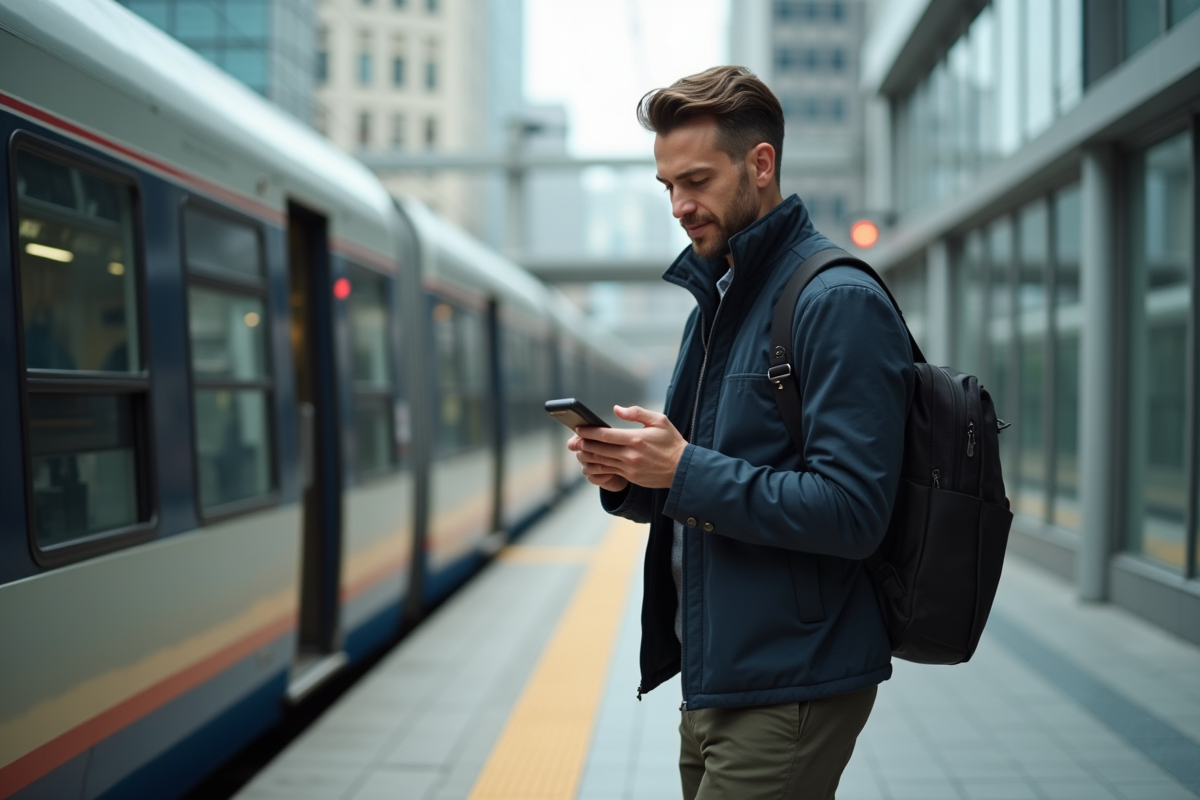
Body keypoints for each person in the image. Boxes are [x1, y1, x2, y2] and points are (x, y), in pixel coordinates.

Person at [568, 66, 915, 799]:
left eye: (694, 180)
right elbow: (703, 475)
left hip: (791, 680)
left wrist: (683, 470)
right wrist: (631, 476)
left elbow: (853, 511)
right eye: (667, 187)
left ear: (760, 164)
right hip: (720, 673)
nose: (678, 206)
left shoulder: (837, 301)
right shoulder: (717, 302)